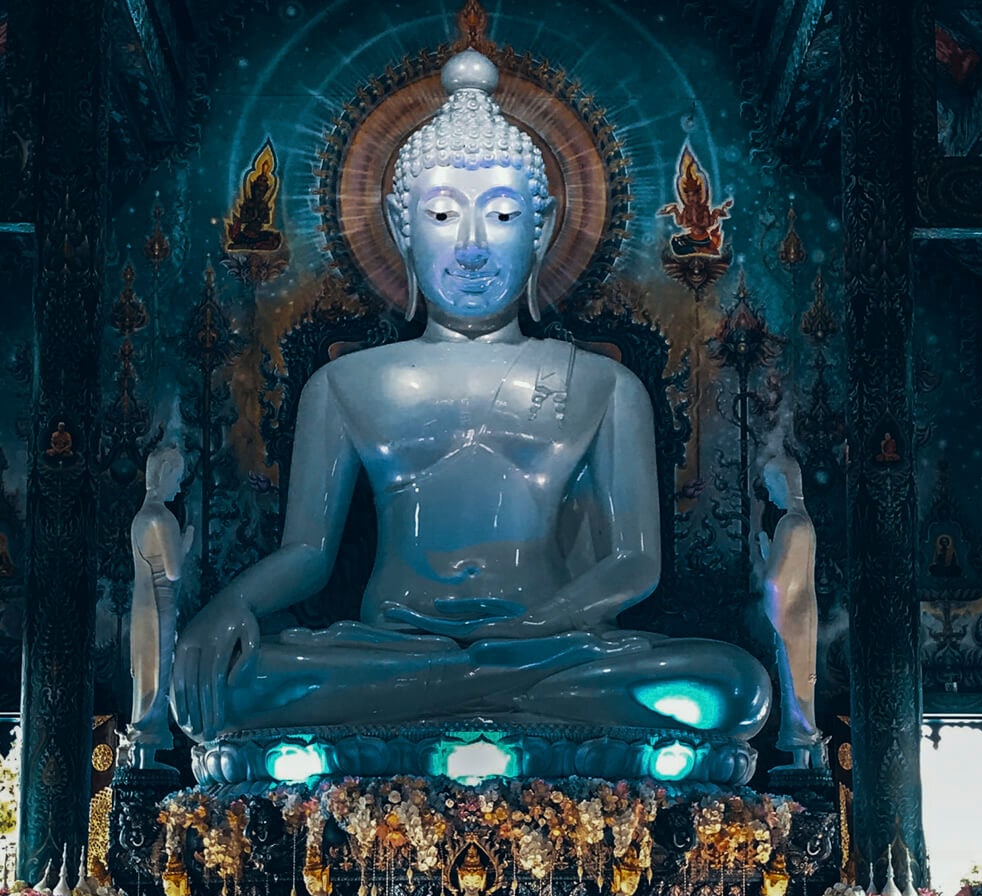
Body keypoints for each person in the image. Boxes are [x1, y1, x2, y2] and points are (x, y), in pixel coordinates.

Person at [171, 50, 770, 756]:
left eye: (505, 214)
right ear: (402, 230)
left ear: (541, 231)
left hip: (552, 645)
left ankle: (460, 690)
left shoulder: (606, 387)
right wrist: (228, 606)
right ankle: (484, 693)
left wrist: (537, 626)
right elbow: (307, 552)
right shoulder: (344, 384)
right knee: (233, 683)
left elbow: (636, 563)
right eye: (444, 214)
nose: (473, 246)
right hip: (389, 648)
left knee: (733, 686)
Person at [757, 450, 824, 769]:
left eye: (771, 485)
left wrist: (762, 555)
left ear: (784, 481)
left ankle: (806, 748)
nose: (769, 494)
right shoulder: (803, 523)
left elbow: (774, 581)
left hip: (790, 615)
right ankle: (805, 754)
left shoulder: (790, 524)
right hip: (803, 612)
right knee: (801, 680)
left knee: (794, 681)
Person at [128, 446, 193, 768]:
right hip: (161, 604)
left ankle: (142, 739)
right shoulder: (162, 519)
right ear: (164, 475)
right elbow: (174, 571)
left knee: (144, 669)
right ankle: (149, 739)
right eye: (177, 479)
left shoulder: (140, 519)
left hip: (140, 605)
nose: (178, 487)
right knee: (158, 667)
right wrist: (187, 539)